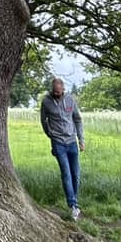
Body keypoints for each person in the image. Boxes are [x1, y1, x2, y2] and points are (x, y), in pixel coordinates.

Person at [40, 77, 85, 220]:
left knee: (75, 174)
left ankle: (74, 200)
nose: (56, 94)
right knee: (66, 173)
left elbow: (77, 119)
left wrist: (81, 140)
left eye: (59, 92)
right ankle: (73, 205)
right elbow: (43, 120)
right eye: (54, 91)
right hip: (58, 143)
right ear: (52, 89)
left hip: (72, 142)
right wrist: (51, 135)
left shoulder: (70, 100)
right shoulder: (46, 101)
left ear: (63, 89)